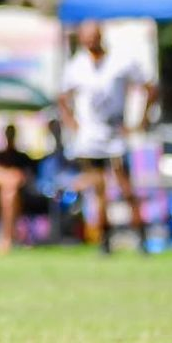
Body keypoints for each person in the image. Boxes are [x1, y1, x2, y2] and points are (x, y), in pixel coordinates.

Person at [59, 20, 159, 253]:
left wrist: (141, 121)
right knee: (98, 189)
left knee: (126, 188)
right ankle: (105, 241)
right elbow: (62, 97)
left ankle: (141, 237)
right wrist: (72, 123)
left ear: (101, 36)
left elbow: (150, 88)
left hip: (115, 135)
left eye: (93, 37)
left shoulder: (120, 62)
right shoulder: (77, 66)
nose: (90, 42)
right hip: (90, 138)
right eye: (85, 38)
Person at [0, 124, 36, 254]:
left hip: (21, 196)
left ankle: (7, 237)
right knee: (9, 192)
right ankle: (7, 236)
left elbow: (25, 177)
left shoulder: (23, 157)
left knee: (10, 193)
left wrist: (13, 179)